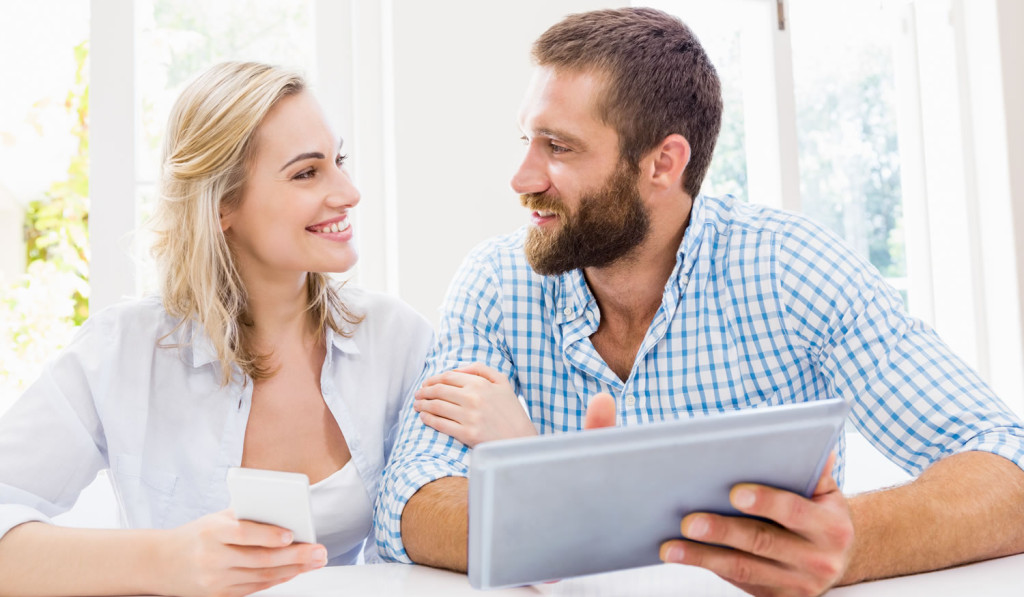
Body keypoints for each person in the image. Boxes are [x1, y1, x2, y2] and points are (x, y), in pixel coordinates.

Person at [374, 7, 1024, 595]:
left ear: (663, 163)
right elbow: (409, 503)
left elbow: (1007, 463)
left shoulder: (790, 267)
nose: (522, 178)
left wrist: (848, 539)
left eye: (560, 146)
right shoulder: (495, 283)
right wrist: (589, 509)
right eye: (526, 138)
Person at [0, 62, 437, 596]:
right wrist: (164, 560)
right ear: (223, 203)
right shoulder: (123, 351)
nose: (348, 192)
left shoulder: (399, 341)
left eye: (338, 161)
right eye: (307, 172)